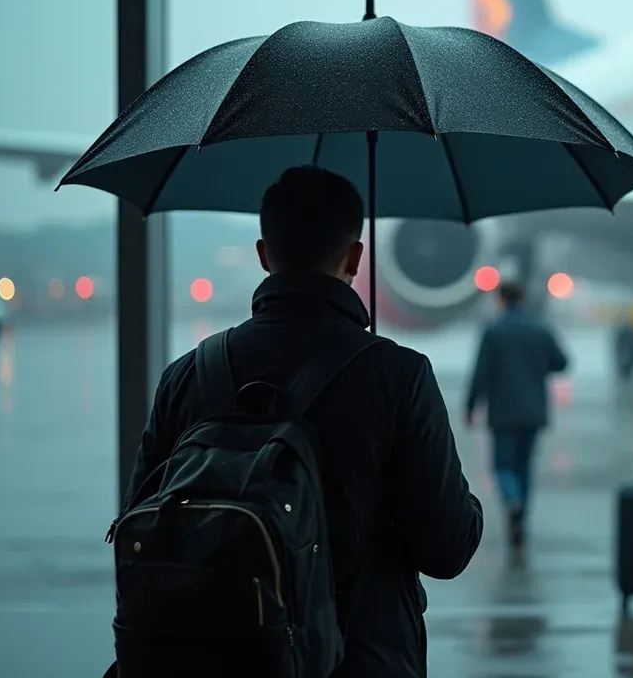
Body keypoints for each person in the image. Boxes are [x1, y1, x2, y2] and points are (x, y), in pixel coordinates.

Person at [123, 166, 483, 678]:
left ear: (264, 255)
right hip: (360, 660)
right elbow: (448, 549)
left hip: (206, 660)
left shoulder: (185, 376)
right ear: (356, 258)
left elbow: (141, 525)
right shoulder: (397, 376)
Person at [466, 280, 568, 549]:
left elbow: (481, 372)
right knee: (525, 465)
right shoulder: (540, 328)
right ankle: (522, 513)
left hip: (502, 411)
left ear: (501, 300)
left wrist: (471, 406)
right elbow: (561, 362)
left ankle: (512, 502)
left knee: (503, 466)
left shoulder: (494, 330)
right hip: (534, 411)